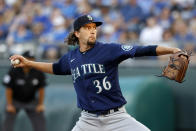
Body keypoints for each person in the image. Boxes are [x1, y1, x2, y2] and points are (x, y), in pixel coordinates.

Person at [10, 15, 181, 131]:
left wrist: (171, 49)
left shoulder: (109, 50)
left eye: (94, 27)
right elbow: (55, 68)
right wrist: (29, 63)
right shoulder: (71, 58)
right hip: (88, 120)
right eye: (87, 27)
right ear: (77, 33)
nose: (93, 30)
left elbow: (143, 50)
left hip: (117, 118)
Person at [2, 51, 46, 131]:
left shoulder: (38, 71)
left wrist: (40, 104)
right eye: (29, 59)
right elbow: (9, 88)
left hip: (31, 100)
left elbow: (41, 88)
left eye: (32, 59)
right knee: (7, 123)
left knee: (40, 123)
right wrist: (9, 104)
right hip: (15, 100)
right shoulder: (14, 70)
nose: (30, 61)